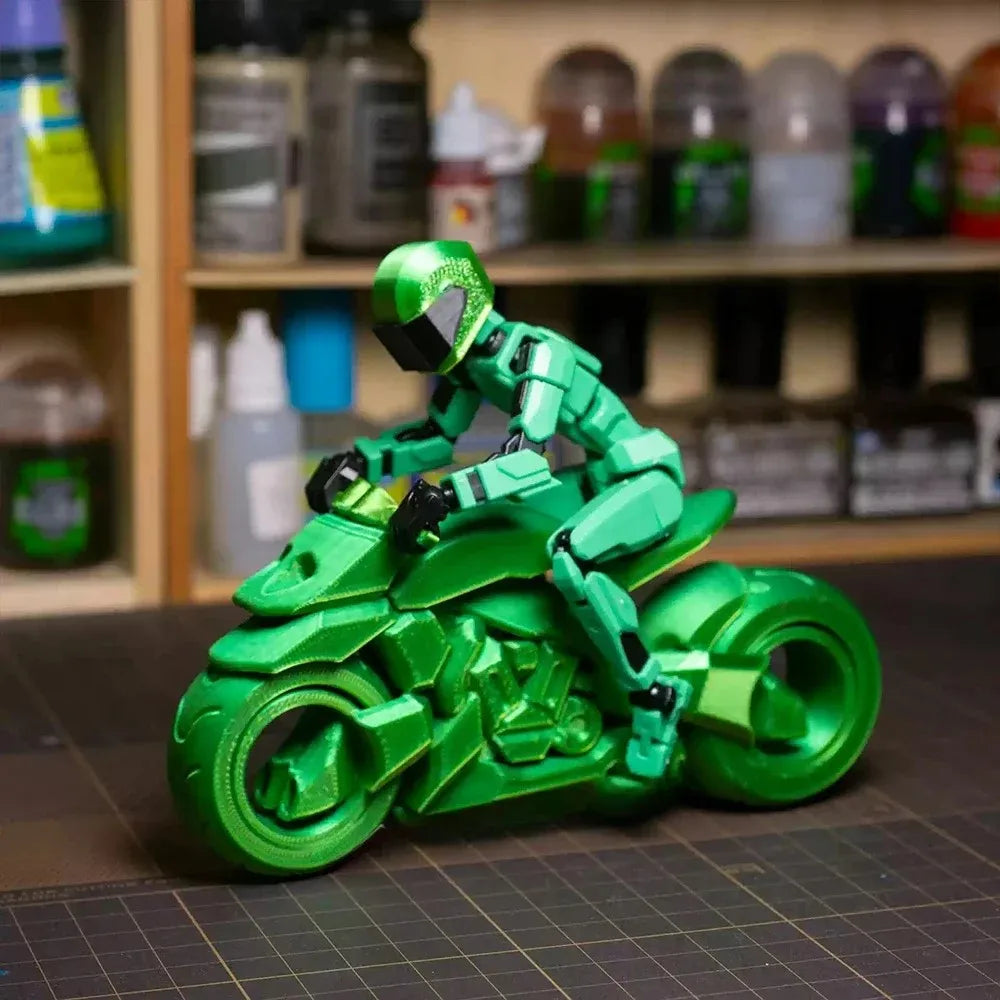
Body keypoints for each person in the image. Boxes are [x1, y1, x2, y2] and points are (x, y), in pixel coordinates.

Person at [306, 240, 690, 780]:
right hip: (597, 480)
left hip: (645, 478)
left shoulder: (538, 356)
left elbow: (526, 460)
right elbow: (436, 439)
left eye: (420, 332)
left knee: (570, 556)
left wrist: (446, 495)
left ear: (456, 305)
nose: (415, 349)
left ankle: (653, 692)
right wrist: (362, 461)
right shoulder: (471, 367)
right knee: (473, 535)